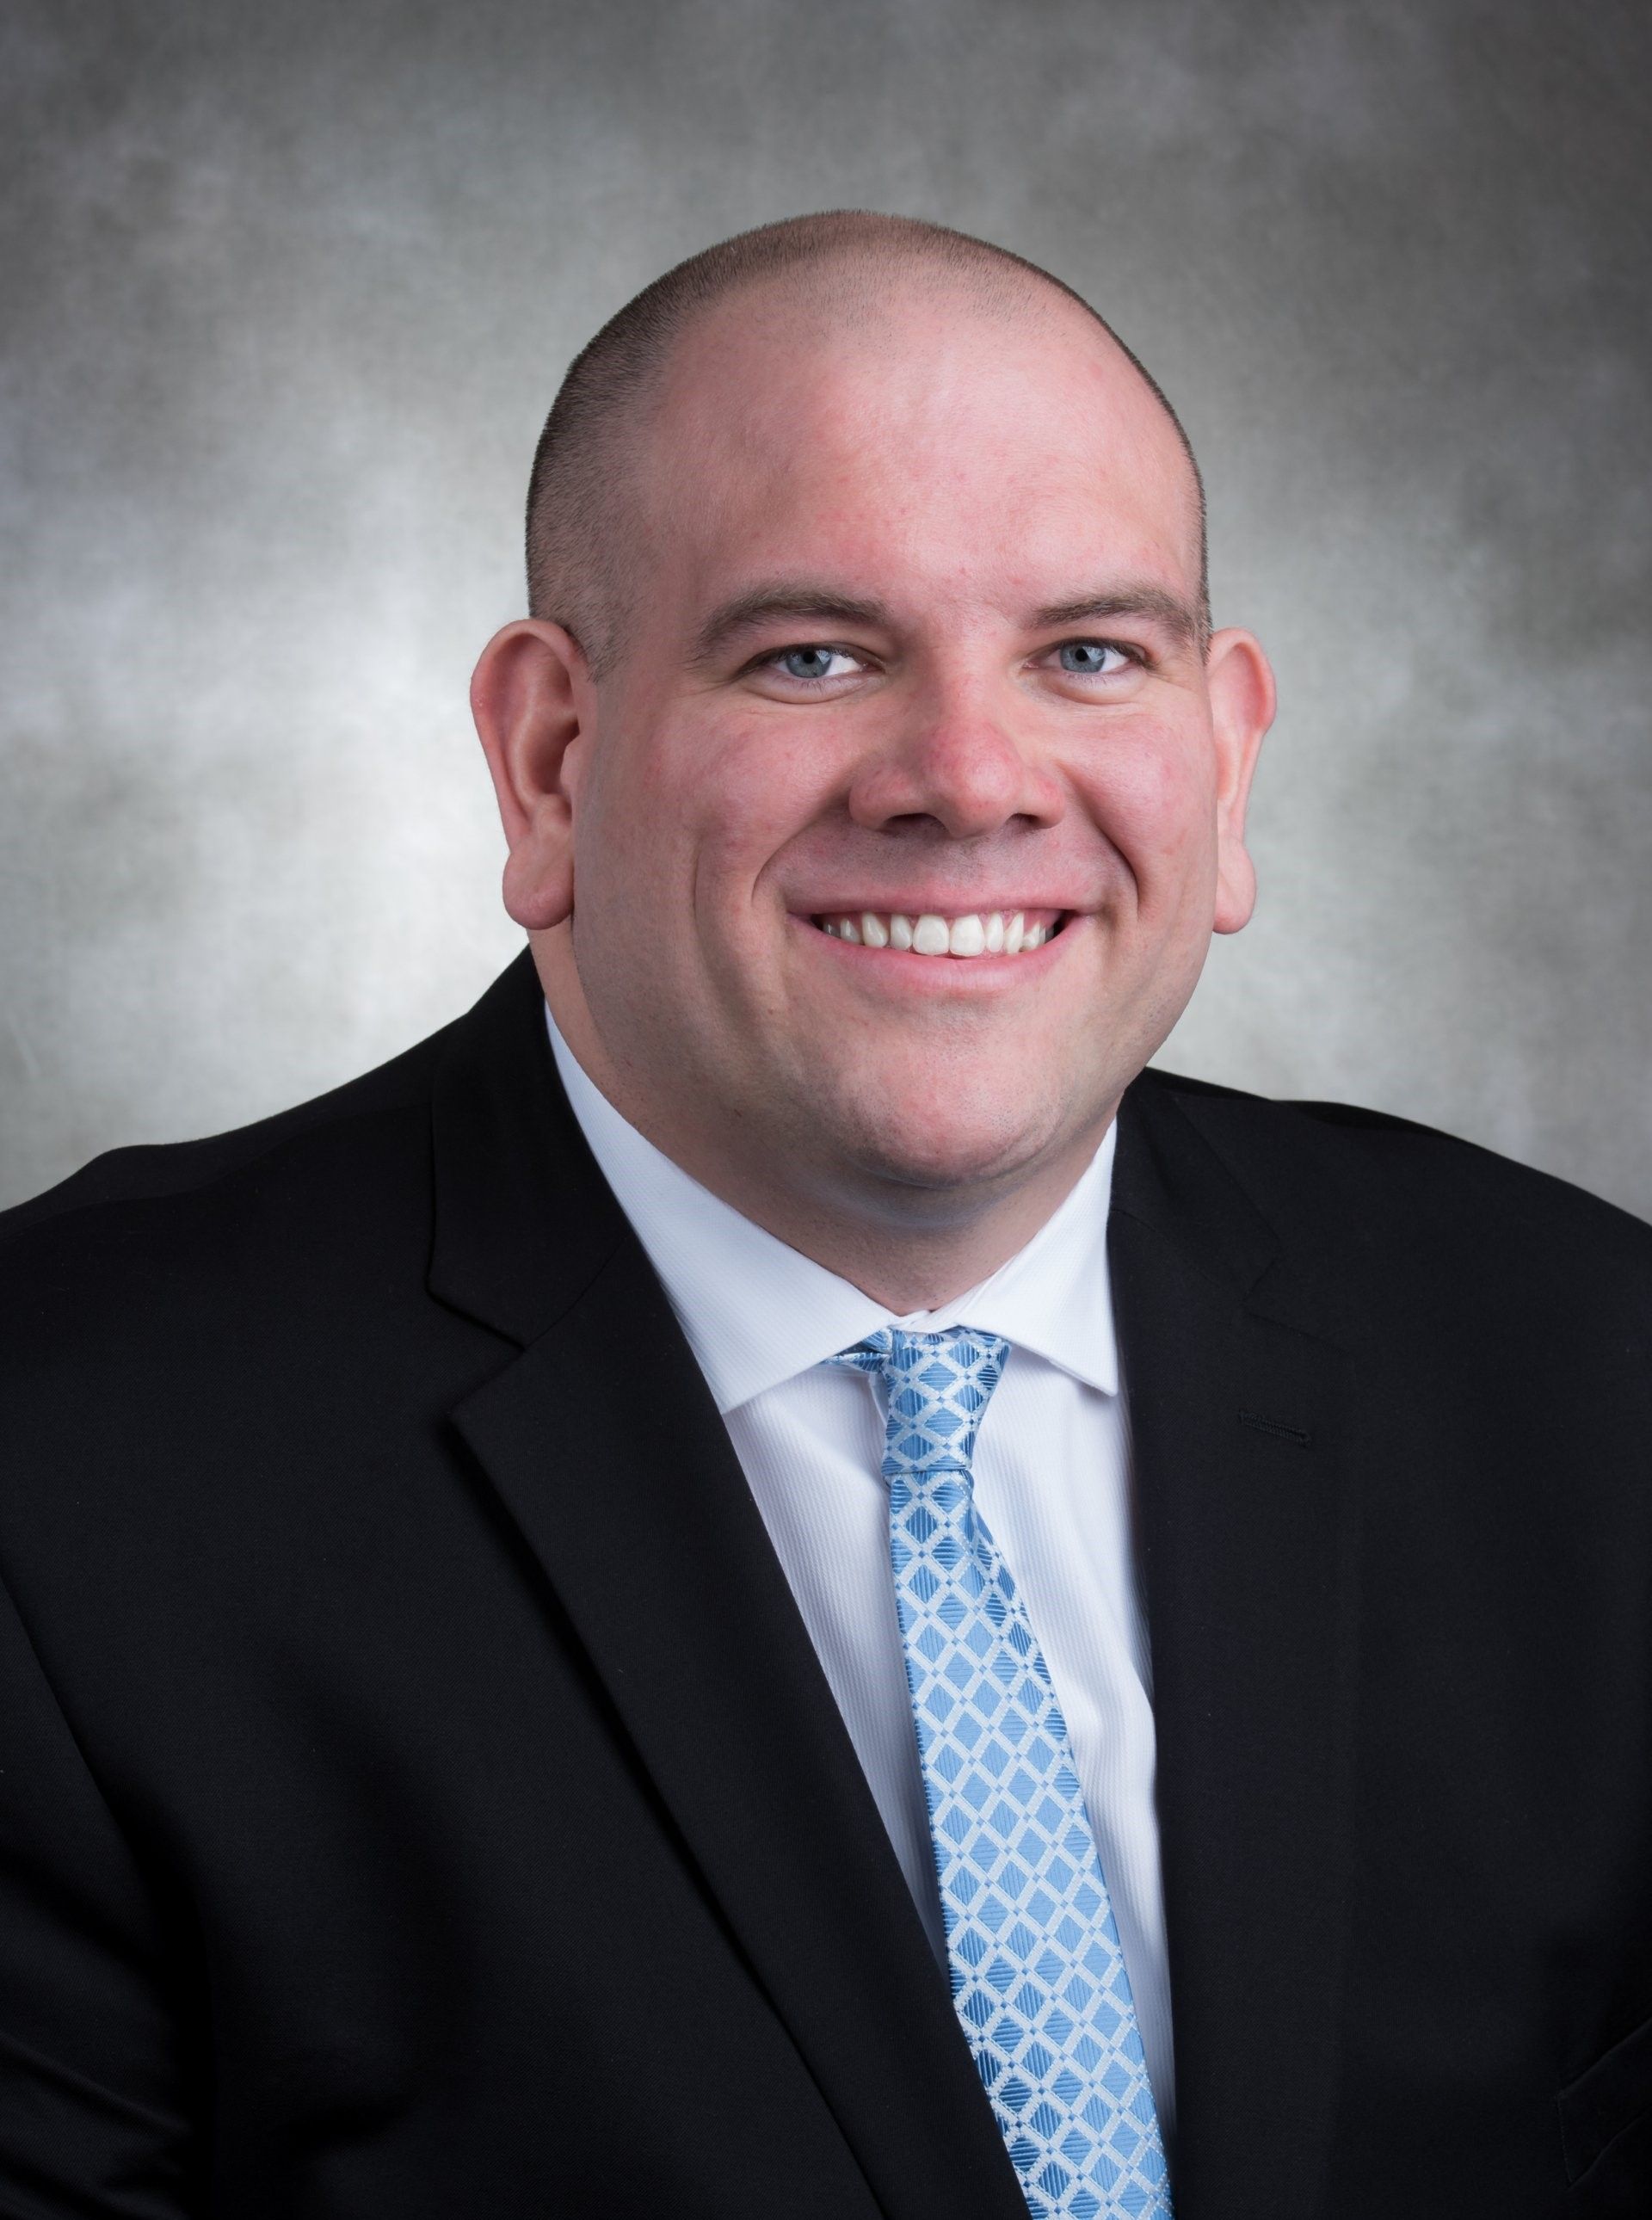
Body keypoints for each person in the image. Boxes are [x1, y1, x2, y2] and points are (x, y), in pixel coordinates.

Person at [0, 211, 1647, 2220]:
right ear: (548, 757)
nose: (968, 775)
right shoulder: (66, 1470)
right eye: (813, 654)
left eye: (1087, 654)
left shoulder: (1582, 1366)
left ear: (1223, 763)